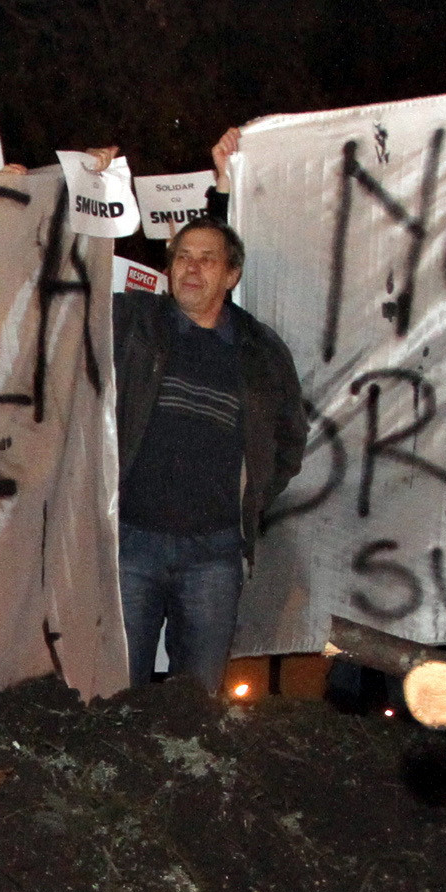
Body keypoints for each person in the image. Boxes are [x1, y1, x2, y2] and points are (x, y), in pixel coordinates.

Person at [110, 215, 305, 689]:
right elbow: (63, 287)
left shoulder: (260, 351)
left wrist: (247, 503)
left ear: (231, 275)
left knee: (198, 700)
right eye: (182, 256)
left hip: (214, 554)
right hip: (130, 542)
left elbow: (288, 442)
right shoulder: (133, 323)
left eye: (207, 259)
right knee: (116, 692)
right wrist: (43, 198)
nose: (191, 268)